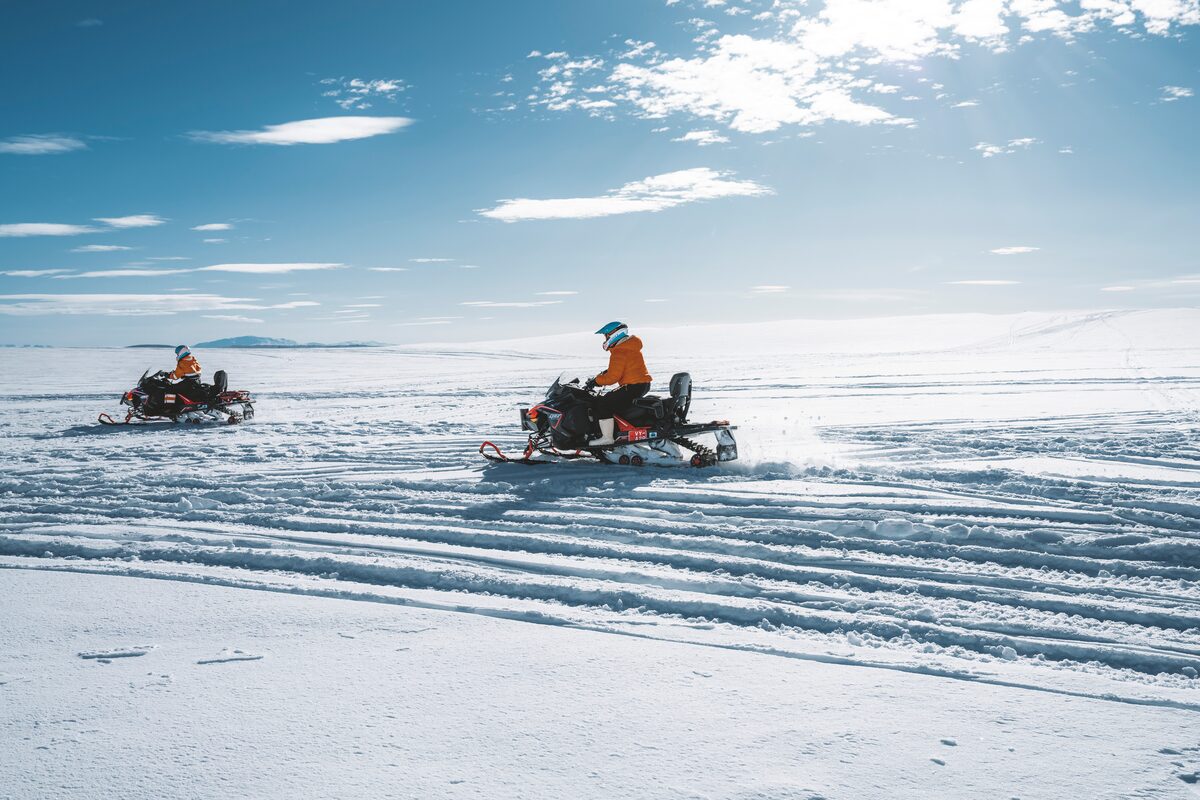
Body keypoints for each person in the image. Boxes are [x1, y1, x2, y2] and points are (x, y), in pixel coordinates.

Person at [586, 321, 652, 445]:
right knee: (614, 402)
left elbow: (612, 378)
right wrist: (603, 375)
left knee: (603, 404)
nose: (605, 339)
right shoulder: (630, 346)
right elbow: (623, 368)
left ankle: (607, 438)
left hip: (632, 386)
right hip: (642, 384)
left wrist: (596, 381)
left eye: (606, 335)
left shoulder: (620, 351)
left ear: (614, 334)